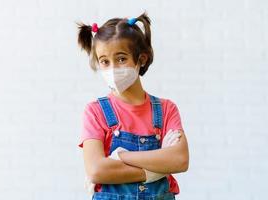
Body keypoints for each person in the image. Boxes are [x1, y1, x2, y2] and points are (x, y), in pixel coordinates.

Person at [77, 12, 189, 200]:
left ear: (141, 59)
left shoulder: (166, 109)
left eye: (121, 59)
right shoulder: (95, 112)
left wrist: (120, 157)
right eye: (105, 61)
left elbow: (180, 160)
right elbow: (96, 170)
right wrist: (156, 169)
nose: (113, 68)